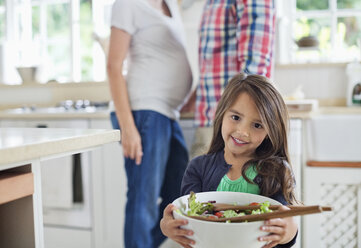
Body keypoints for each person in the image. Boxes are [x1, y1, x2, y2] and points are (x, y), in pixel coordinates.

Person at [161, 73, 299, 248]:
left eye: (257, 125)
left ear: (269, 132)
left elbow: (284, 222)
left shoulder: (277, 171)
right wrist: (167, 225)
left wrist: (289, 231)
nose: (242, 131)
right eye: (236, 118)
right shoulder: (198, 167)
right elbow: (188, 216)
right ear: (222, 114)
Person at [107, 0, 193, 247]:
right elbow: (113, 66)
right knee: (142, 199)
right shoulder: (126, 4)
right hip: (143, 112)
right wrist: (128, 127)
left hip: (167, 113)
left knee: (178, 199)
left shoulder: (170, 5)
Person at [181, 0, 276, 158]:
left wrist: (239, 130)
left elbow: (254, 67)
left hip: (230, 128)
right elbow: (213, 63)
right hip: (209, 119)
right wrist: (194, 98)